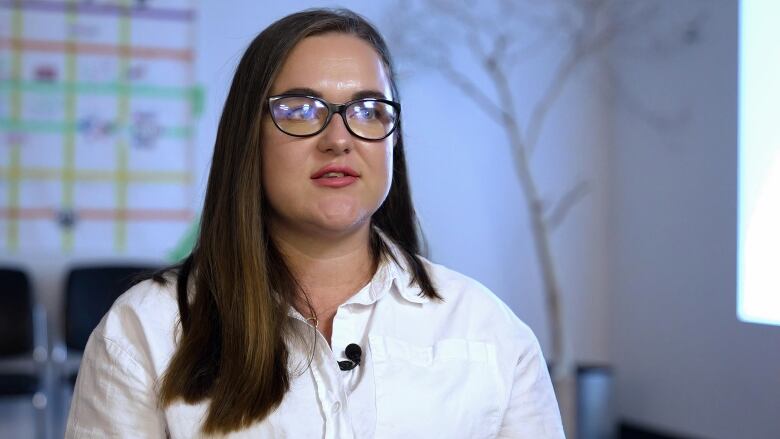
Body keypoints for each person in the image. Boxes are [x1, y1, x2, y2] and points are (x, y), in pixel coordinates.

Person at [66, 8, 564, 438]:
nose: (339, 139)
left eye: (369, 110)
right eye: (302, 109)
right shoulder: (144, 332)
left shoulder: (488, 333)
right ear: (248, 137)